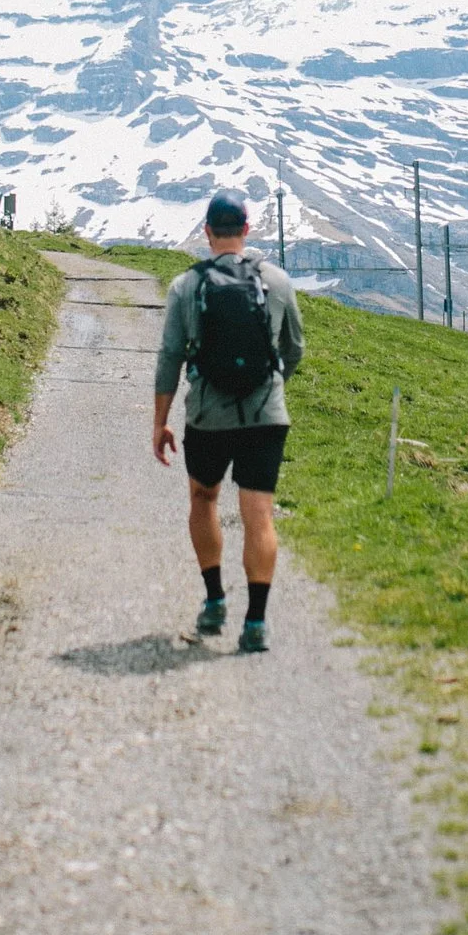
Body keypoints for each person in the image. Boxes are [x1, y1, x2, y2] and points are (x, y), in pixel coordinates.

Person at [151, 189, 306, 653]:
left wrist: (160, 422)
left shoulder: (186, 286)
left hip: (207, 415)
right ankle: (255, 623)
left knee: (204, 498)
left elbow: (169, 358)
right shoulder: (276, 281)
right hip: (266, 416)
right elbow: (294, 348)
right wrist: (271, 387)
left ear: (206, 232)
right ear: (246, 230)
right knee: (258, 514)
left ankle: (215, 599)